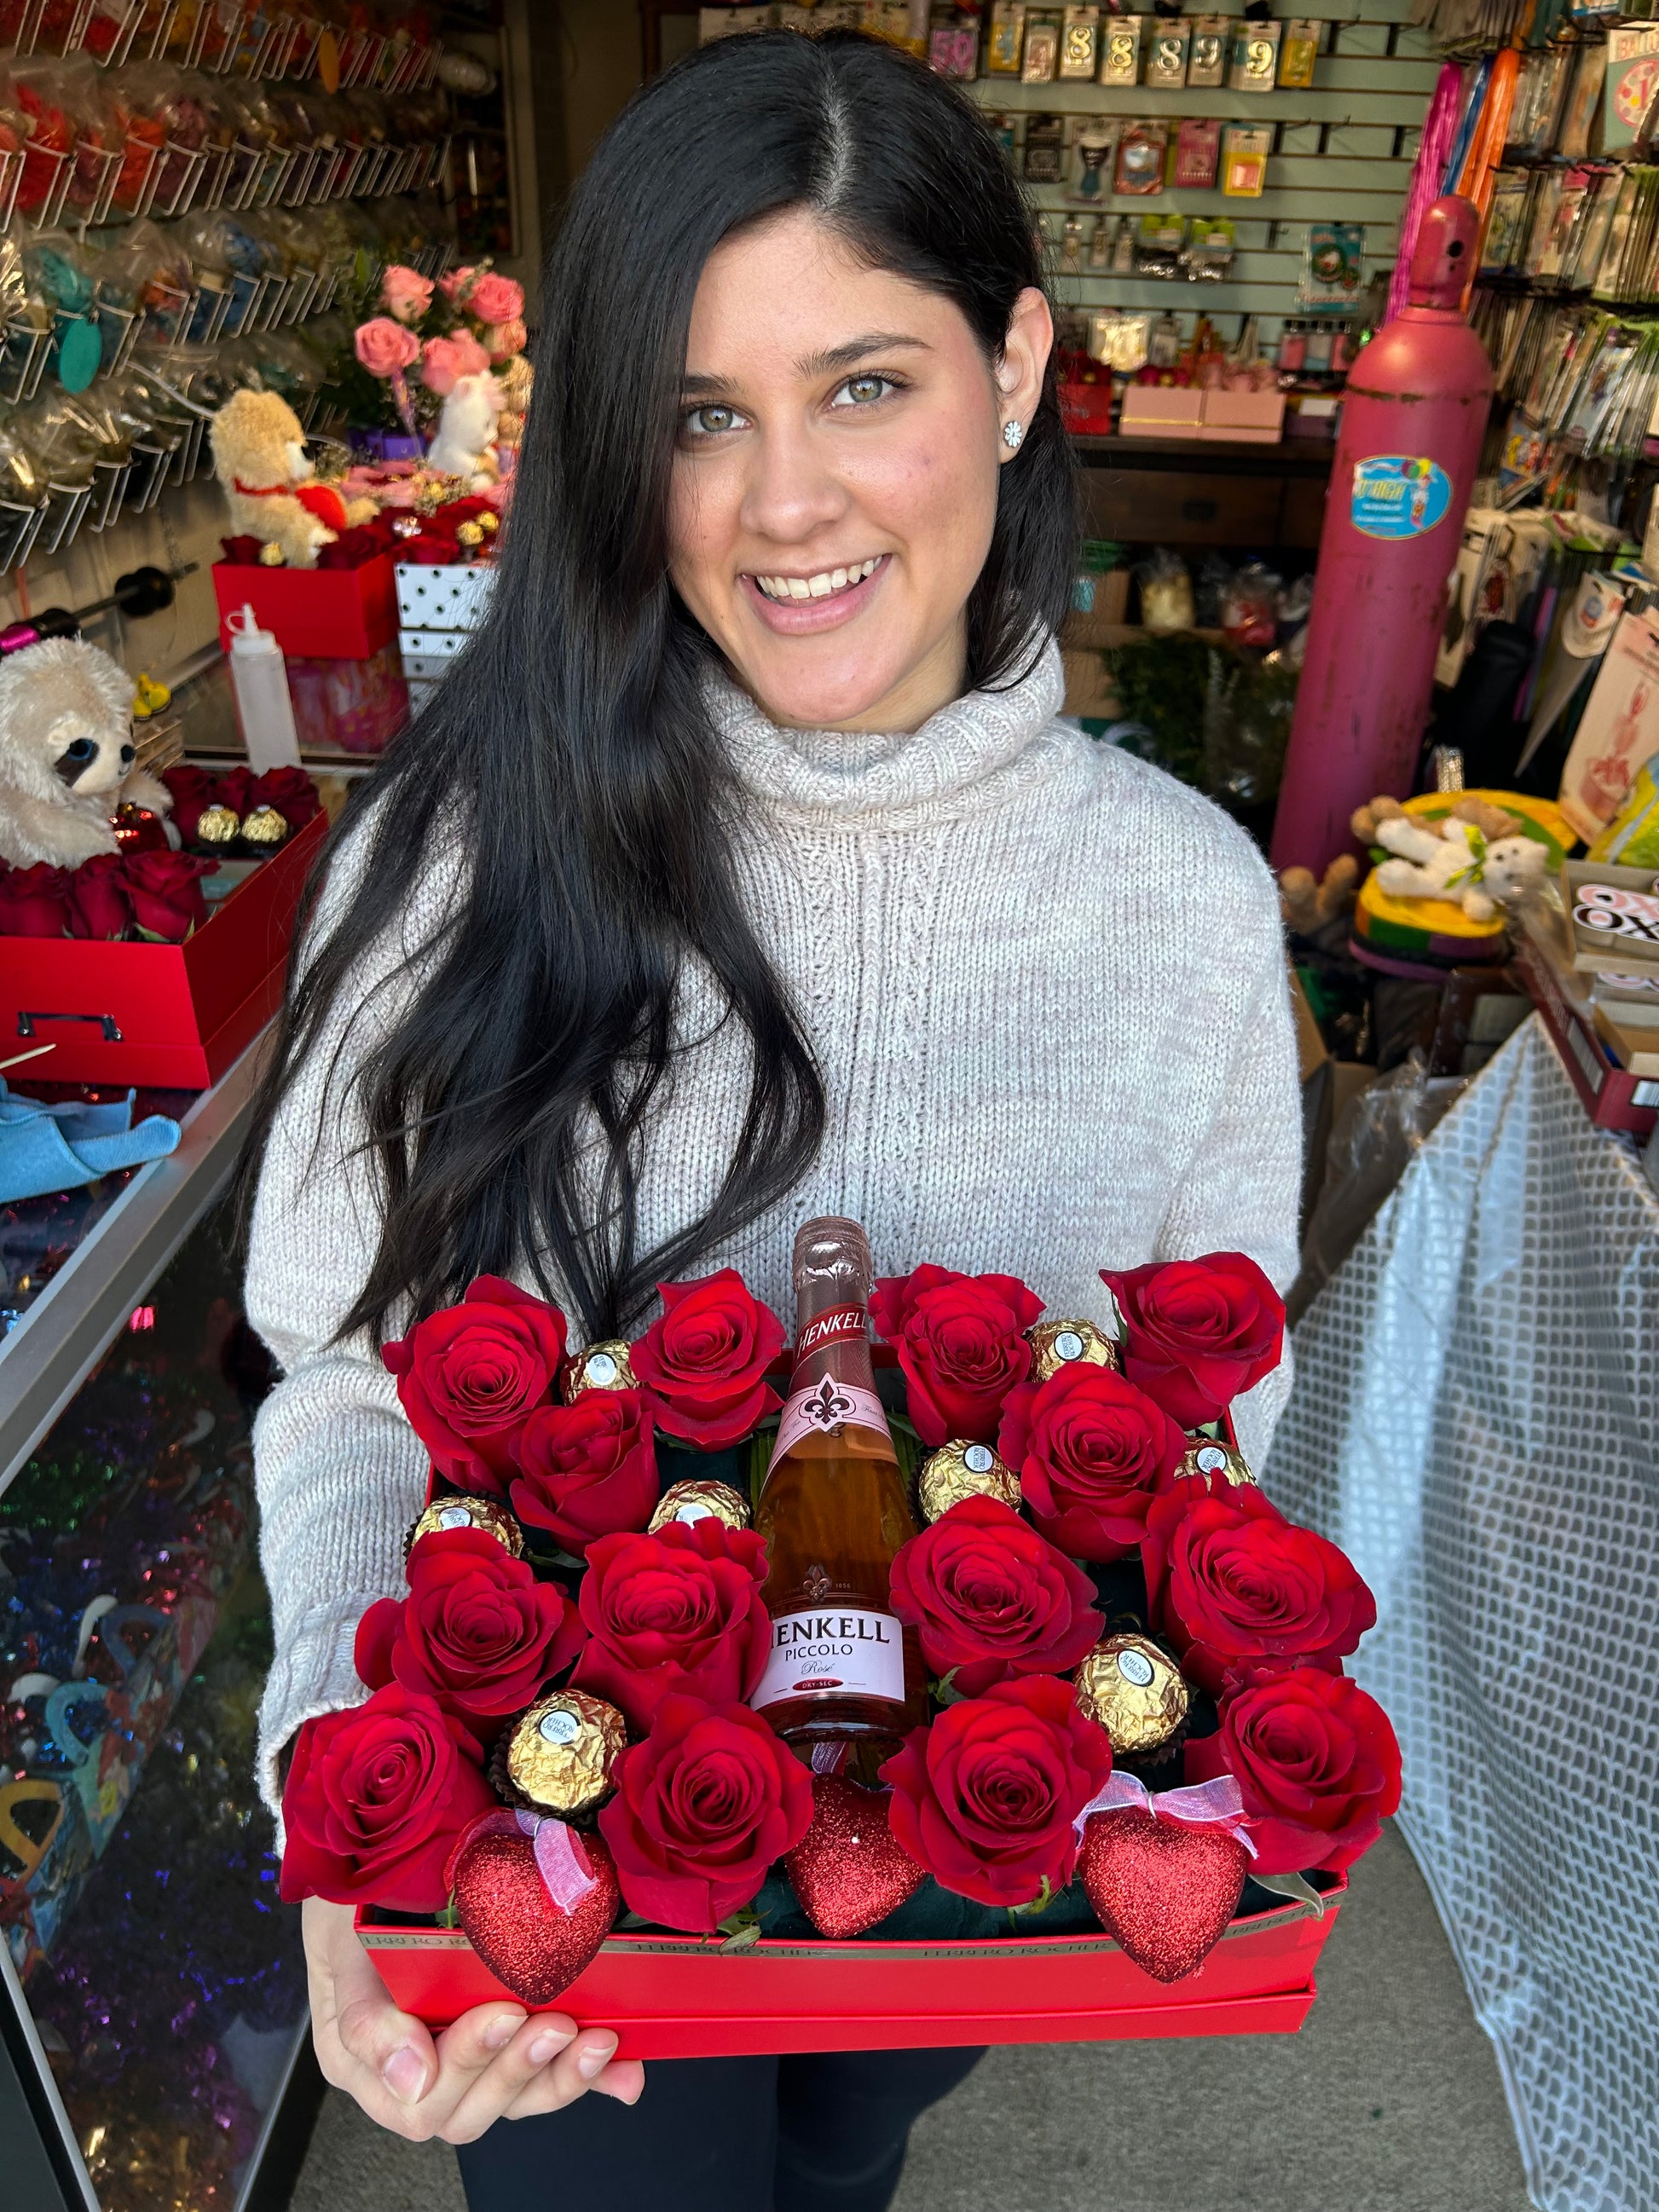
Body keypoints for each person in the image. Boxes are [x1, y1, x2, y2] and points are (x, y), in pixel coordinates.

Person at [244, 27, 1301, 2212]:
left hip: (970, 1841)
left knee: (839, 2158)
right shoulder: (458, 858)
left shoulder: (1178, 906)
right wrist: (349, 1849)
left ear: (1014, 369)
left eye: (866, 385)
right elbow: (345, 1377)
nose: (782, 503)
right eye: (702, 416)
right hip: (558, 1872)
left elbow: (1220, 1427)